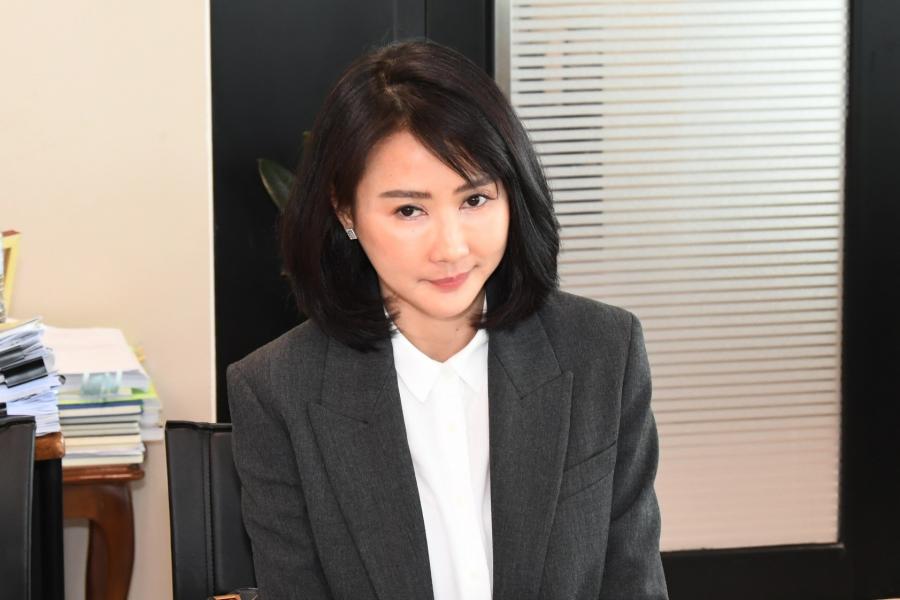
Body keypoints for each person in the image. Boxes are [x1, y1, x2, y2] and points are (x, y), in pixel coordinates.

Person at [226, 38, 668, 600]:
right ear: (345, 210)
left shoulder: (603, 351)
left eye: (475, 200)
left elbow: (633, 581)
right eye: (409, 209)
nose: (451, 248)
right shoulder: (276, 390)